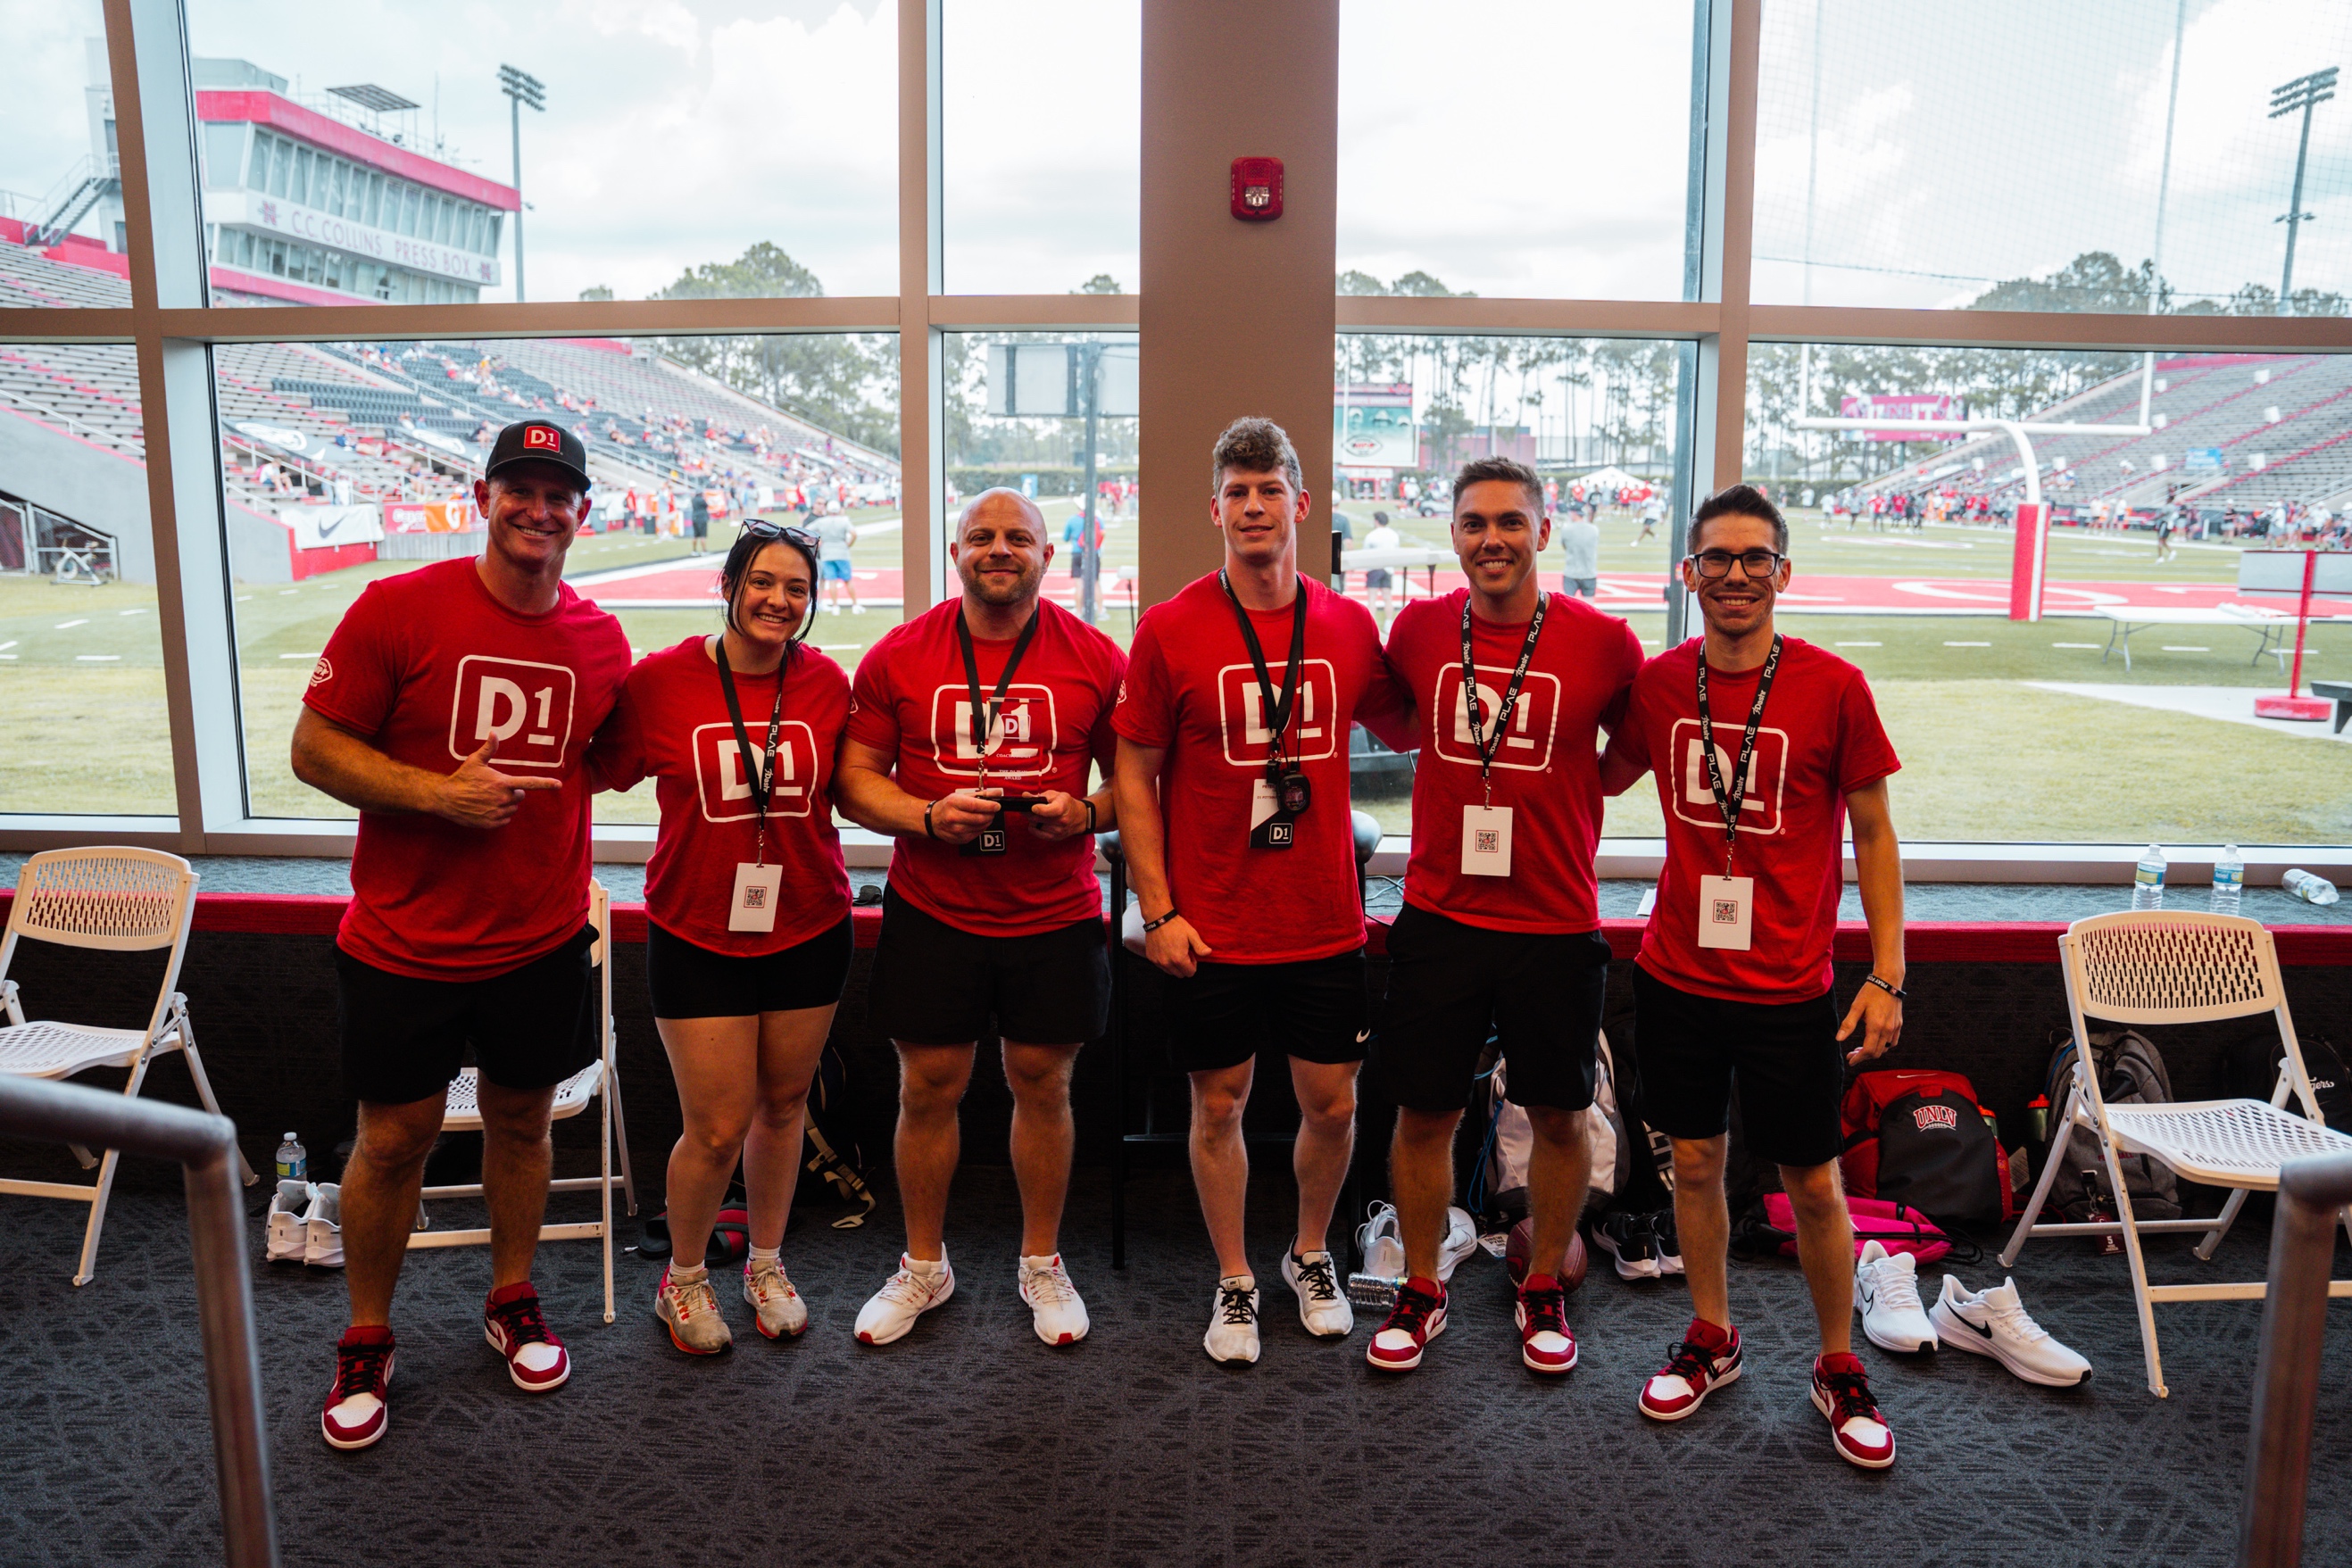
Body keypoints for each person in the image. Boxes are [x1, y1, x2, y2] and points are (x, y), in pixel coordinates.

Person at [293, 420, 631, 1451]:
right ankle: (366, 1332)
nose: (540, 509)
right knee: (393, 1138)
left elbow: (603, 757)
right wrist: (436, 795)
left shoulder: (601, 638)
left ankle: (513, 1294)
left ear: (581, 511)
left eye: (558, 493)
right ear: (483, 498)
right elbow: (314, 749)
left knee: (523, 1123)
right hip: (405, 940)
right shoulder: (398, 606)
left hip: (537, 938)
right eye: (520, 489)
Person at [1598, 483, 1907, 1470]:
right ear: (1686, 574)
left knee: (1812, 1182)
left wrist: (1888, 974)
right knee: (1693, 1163)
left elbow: (1875, 833)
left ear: (1783, 570)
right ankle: (1712, 1333)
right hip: (1677, 976)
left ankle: (1835, 1360)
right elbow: (1591, 774)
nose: (1734, 575)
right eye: (1715, 559)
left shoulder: (1833, 686)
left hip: (1787, 986)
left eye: (1754, 558)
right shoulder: (1655, 684)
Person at [1113, 417, 1410, 1365]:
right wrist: (1157, 909)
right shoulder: (1169, 627)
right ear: (1214, 509)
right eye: (1236, 491)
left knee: (1330, 1104)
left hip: (1321, 916)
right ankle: (1235, 1276)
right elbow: (1134, 774)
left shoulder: (1347, 624)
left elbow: (1411, 723)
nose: (1252, 505)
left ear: (1300, 504)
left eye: (1268, 489)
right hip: (1214, 921)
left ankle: (1310, 1252)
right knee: (1219, 1104)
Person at [1365, 457, 1641, 1376]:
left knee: (1559, 1115)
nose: (1493, 537)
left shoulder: (1603, 640)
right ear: (1452, 534)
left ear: (1543, 530)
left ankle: (1540, 1289)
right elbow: (1397, 722)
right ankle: (1418, 1283)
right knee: (1422, 1112)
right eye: (1475, 521)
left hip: (1555, 919)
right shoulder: (1414, 628)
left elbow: (1628, 749)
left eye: (1510, 521)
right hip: (1440, 914)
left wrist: (1568, 793)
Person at [834, 488, 1124, 1348]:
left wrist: (1086, 813)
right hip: (935, 909)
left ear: (1048, 555)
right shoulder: (899, 653)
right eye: (982, 537)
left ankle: (1041, 1260)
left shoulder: (1096, 657)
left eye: (1018, 538)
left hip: (1053, 913)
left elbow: (1138, 786)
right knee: (928, 1088)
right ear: (956, 551)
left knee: (1044, 1083)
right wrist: (925, 816)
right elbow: (854, 778)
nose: (1000, 549)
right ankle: (925, 1262)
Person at [590, 523, 851, 1355]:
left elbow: (860, 783)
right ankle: (686, 1278)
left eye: (798, 588)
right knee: (714, 1125)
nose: (780, 600)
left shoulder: (826, 684)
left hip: (809, 922)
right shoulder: (662, 681)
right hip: (697, 927)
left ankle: (766, 1264)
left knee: (782, 1107)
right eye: (764, 582)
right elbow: (588, 769)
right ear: (730, 584)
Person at [812, 506, 860, 615]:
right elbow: (854, 533)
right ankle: (855, 605)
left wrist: (818, 541)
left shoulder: (821, 521)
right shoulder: (844, 521)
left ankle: (835, 606)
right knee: (848, 580)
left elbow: (807, 529)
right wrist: (848, 544)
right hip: (842, 552)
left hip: (827, 553)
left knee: (832, 581)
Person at [1362, 509, 1402, 621]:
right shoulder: (1393, 535)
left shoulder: (1371, 535)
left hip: (1374, 568)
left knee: (1372, 598)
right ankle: (1388, 622)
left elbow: (1365, 553)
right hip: (1388, 568)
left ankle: (1372, 623)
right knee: (1387, 597)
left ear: (1376, 521)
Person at [1556, 500, 1600, 601]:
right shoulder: (1594, 529)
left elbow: (1565, 546)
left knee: (1569, 606)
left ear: (1574, 513)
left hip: (1571, 573)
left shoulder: (1566, 529)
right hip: (1589, 573)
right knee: (1589, 607)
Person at [688, 487, 711, 554]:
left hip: (695, 518)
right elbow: (707, 505)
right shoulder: (702, 500)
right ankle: (704, 551)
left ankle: (694, 550)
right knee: (702, 536)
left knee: (695, 535)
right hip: (701, 519)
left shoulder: (693, 500)